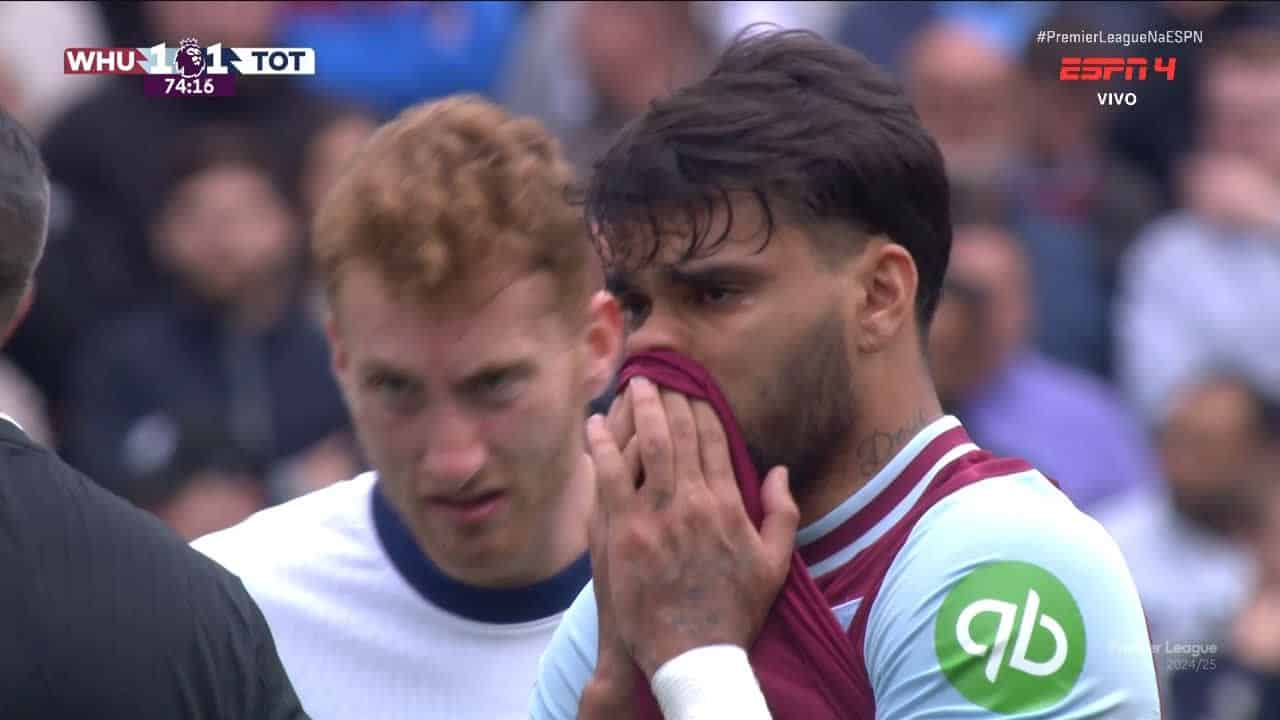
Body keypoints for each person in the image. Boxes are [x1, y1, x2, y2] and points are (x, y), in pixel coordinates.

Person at [529, 28, 1160, 719]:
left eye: (714, 294)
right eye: (637, 306)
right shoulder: (650, 581)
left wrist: (696, 660)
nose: (652, 345)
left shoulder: (1011, 569)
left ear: (879, 297)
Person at [192, 96, 623, 719]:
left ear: (597, 345)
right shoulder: (227, 611)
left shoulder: (727, 604)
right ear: (341, 358)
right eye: (396, 390)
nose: (452, 460)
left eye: (495, 385)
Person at [0, 104, 307, 719]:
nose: (223, 239)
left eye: (243, 215)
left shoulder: (331, 365)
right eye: (200, 217)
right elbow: (94, 468)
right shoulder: (118, 360)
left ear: (291, 223)